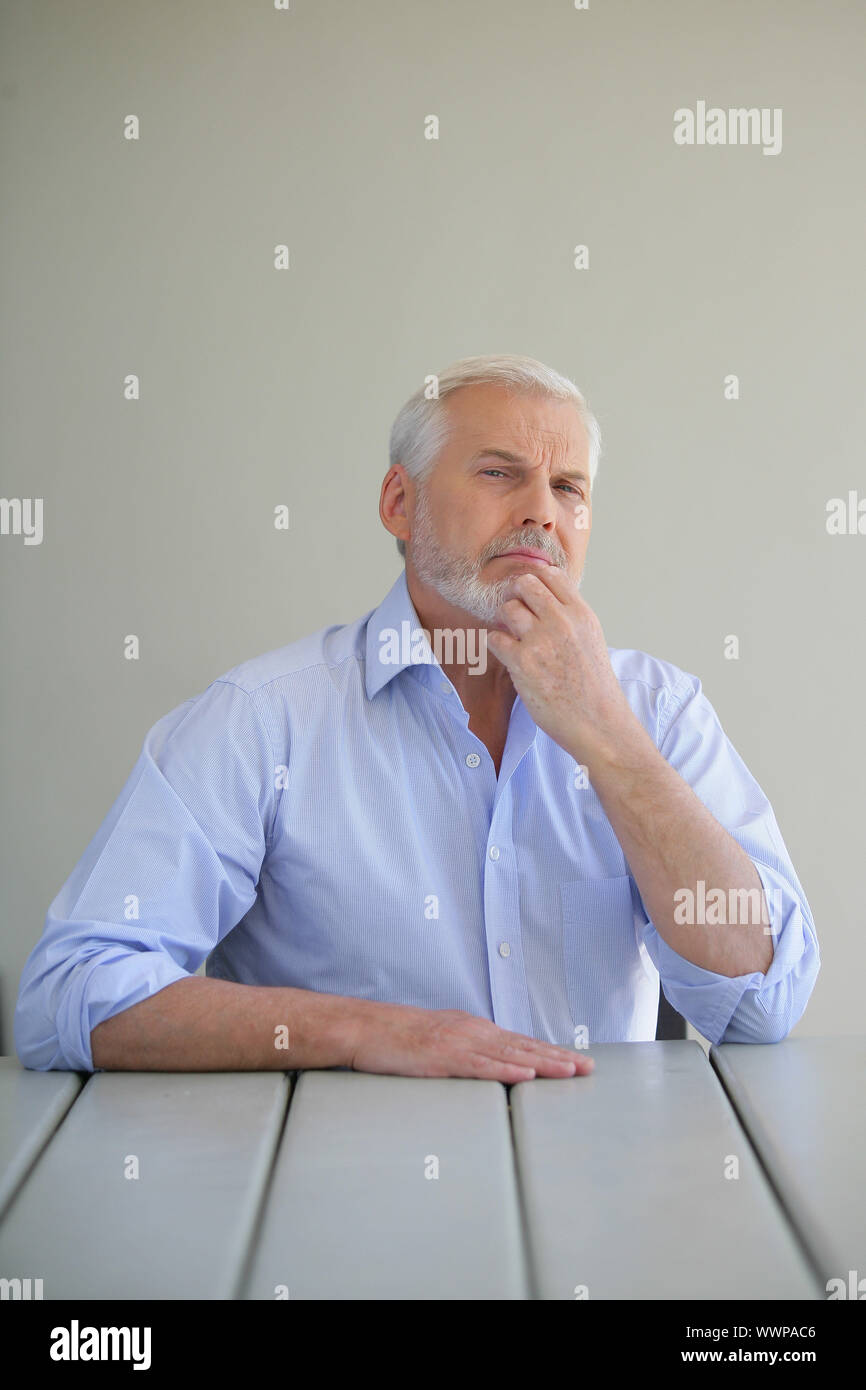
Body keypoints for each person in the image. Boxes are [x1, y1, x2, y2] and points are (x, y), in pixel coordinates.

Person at [14, 354, 819, 1076]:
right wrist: (361, 1032)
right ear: (400, 502)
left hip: (598, 1183)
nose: (542, 512)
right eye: (500, 473)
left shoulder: (660, 715)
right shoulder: (262, 721)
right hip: (341, 1180)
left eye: (568, 488)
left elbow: (760, 1005)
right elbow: (68, 992)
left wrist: (610, 739)